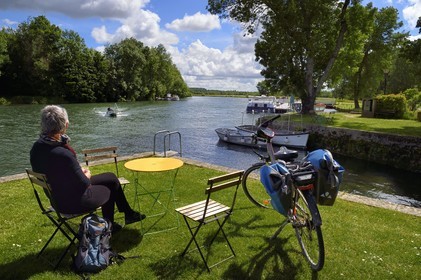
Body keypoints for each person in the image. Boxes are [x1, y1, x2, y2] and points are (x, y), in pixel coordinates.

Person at [30, 105, 145, 232]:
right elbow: (84, 183)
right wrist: (86, 173)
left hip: (58, 197)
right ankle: (109, 226)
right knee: (109, 188)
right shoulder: (63, 153)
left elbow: (56, 170)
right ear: (65, 125)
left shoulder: (37, 148)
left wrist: (75, 171)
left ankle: (128, 213)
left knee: (111, 178)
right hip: (74, 202)